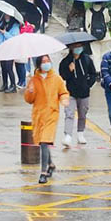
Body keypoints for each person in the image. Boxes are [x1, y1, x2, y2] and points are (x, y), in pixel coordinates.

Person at [24, 55, 69, 184]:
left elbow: (63, 92)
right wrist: (30, 91)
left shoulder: (56, 78)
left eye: (48, 61)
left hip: (52, 114)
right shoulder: (33, 80)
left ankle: (43, 172)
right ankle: (51, 164)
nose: (46, 63)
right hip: (39, 115)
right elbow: (28, 100)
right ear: (38, 64)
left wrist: (64, 99)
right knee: (42, 142)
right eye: (43, 61)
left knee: (45, 141)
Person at [59, 43, 97, 147]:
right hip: (70, 92)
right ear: (71, 47)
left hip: (84, 93)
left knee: (83, 113)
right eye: (75, 46)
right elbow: (62, 76)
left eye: (79, 46)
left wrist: (88, 84)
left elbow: (93, 74)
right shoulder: (66, 61)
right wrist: (69, 70)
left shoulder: (87, 59)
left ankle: (80, 133)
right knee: (69, 113)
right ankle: (68, 135)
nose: (78, 48)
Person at [0, 14, 20, 93]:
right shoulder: (2, 23)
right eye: (5, 15)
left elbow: (14, 38)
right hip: (2, 48)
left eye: (8, 16)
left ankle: (13, 85)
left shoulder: (15, 26)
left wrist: (4, 32)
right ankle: (4, 84)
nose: (6, 17)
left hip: (10, 49)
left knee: (9, 67)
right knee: (3, 67)